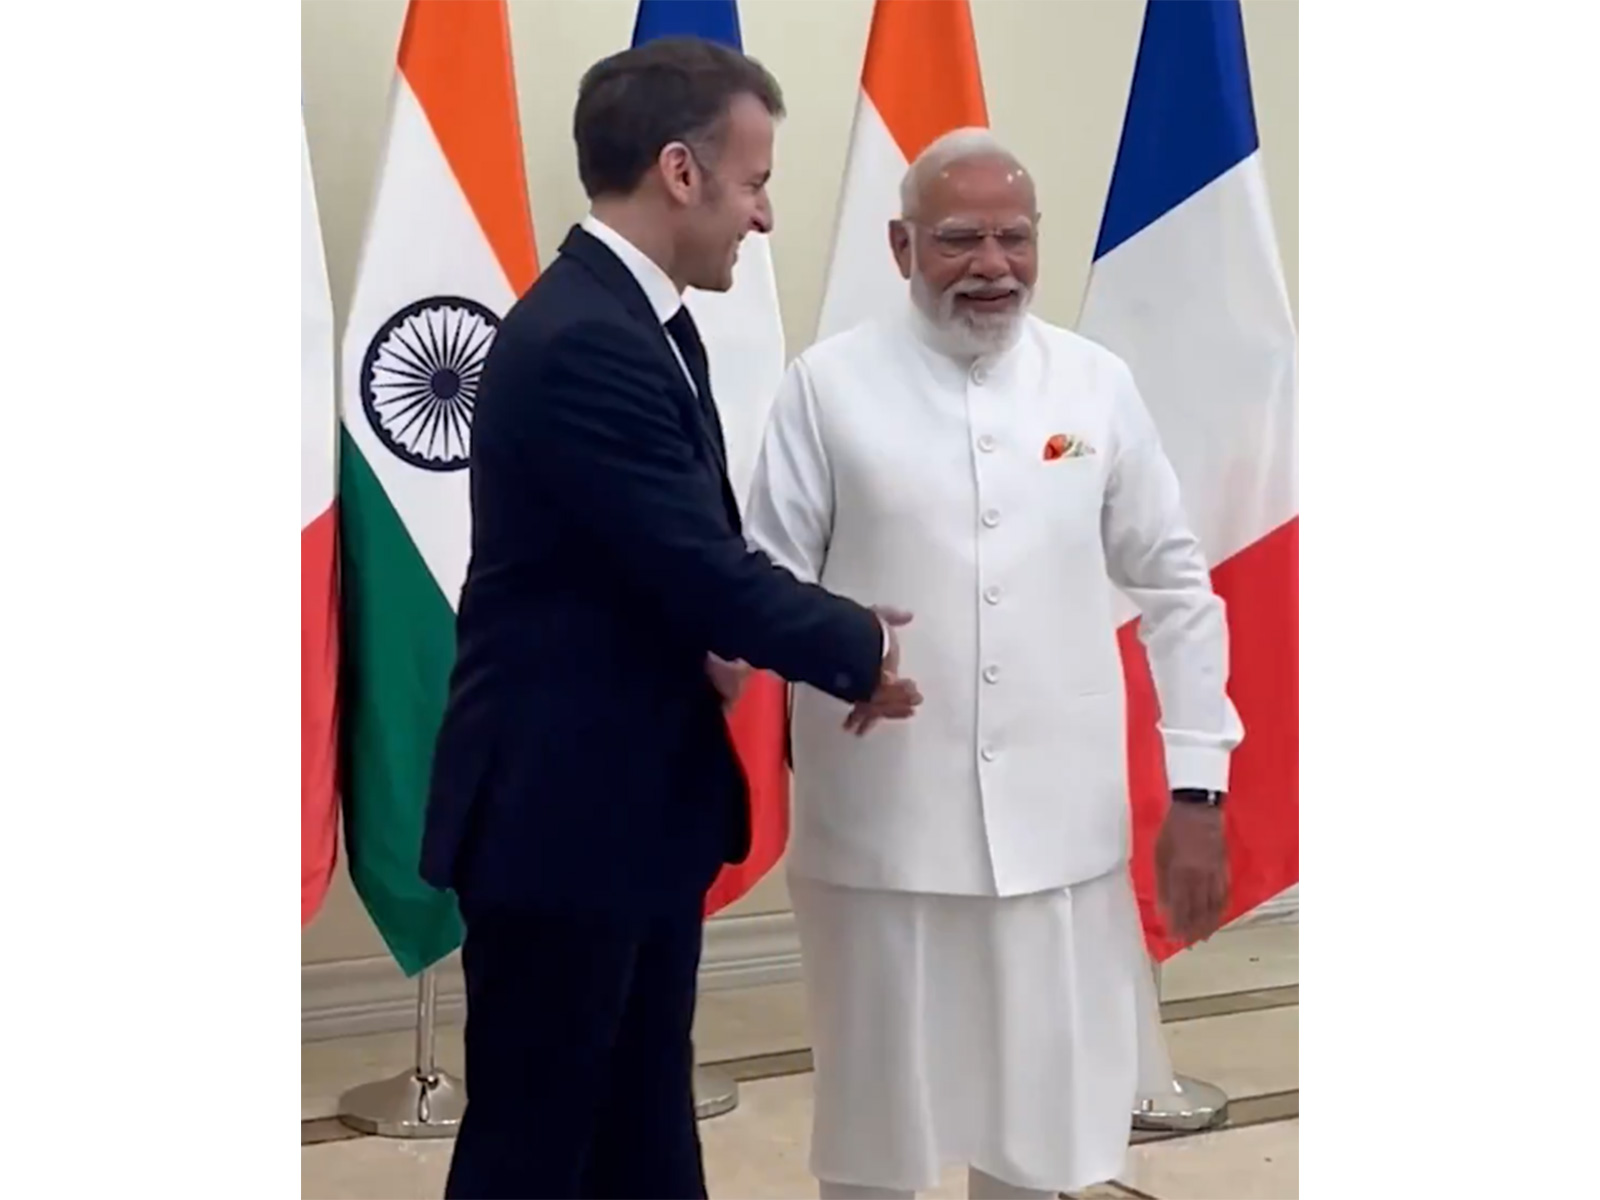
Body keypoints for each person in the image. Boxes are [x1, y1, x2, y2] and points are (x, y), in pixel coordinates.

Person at [420, 37, 923, 1200]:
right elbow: (701, 568)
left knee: (641, 1116)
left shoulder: (634, 318)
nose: (763, 218)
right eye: (754, 183)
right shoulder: (588, 339)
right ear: (681, 173)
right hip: (564, 812)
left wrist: (707, 631)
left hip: (624, 803)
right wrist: (862, 646)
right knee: (539, 1140)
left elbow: (644, 556)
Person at [743, 127, 1243, 1200]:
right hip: (879, 833)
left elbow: (1174, 586)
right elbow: (759, 584)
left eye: (1013, 239)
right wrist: (839, 657)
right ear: (900, 244)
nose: (992, 266)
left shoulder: (1095, 384)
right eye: (959, 239)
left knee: (1040, 1135)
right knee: (875, 1138)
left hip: (1058, 839)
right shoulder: (826, 387)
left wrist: (1199, 786)